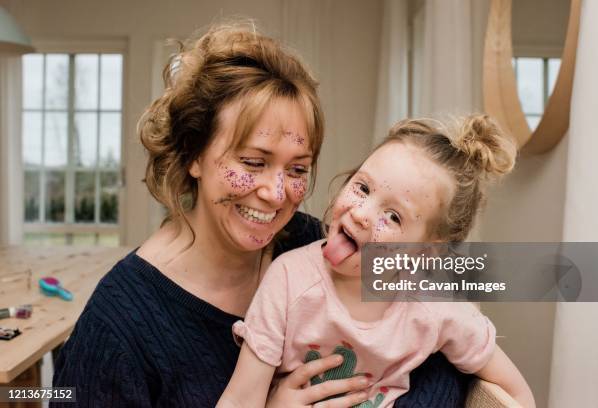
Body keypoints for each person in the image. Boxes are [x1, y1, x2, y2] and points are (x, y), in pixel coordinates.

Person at [52, 22, 470, 407]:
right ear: (194, 155)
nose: (275, 193)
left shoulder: (319, 246)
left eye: (297, 169)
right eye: (252, 162)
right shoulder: (117, 326)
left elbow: (443, 356)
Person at [219, 116, 537, 408]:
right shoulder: (288, 280)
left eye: (393, 216)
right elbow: (239, 400)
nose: (361, 213)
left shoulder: (435, 306)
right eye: (362, 188)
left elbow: (516, 394)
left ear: (426, 251)